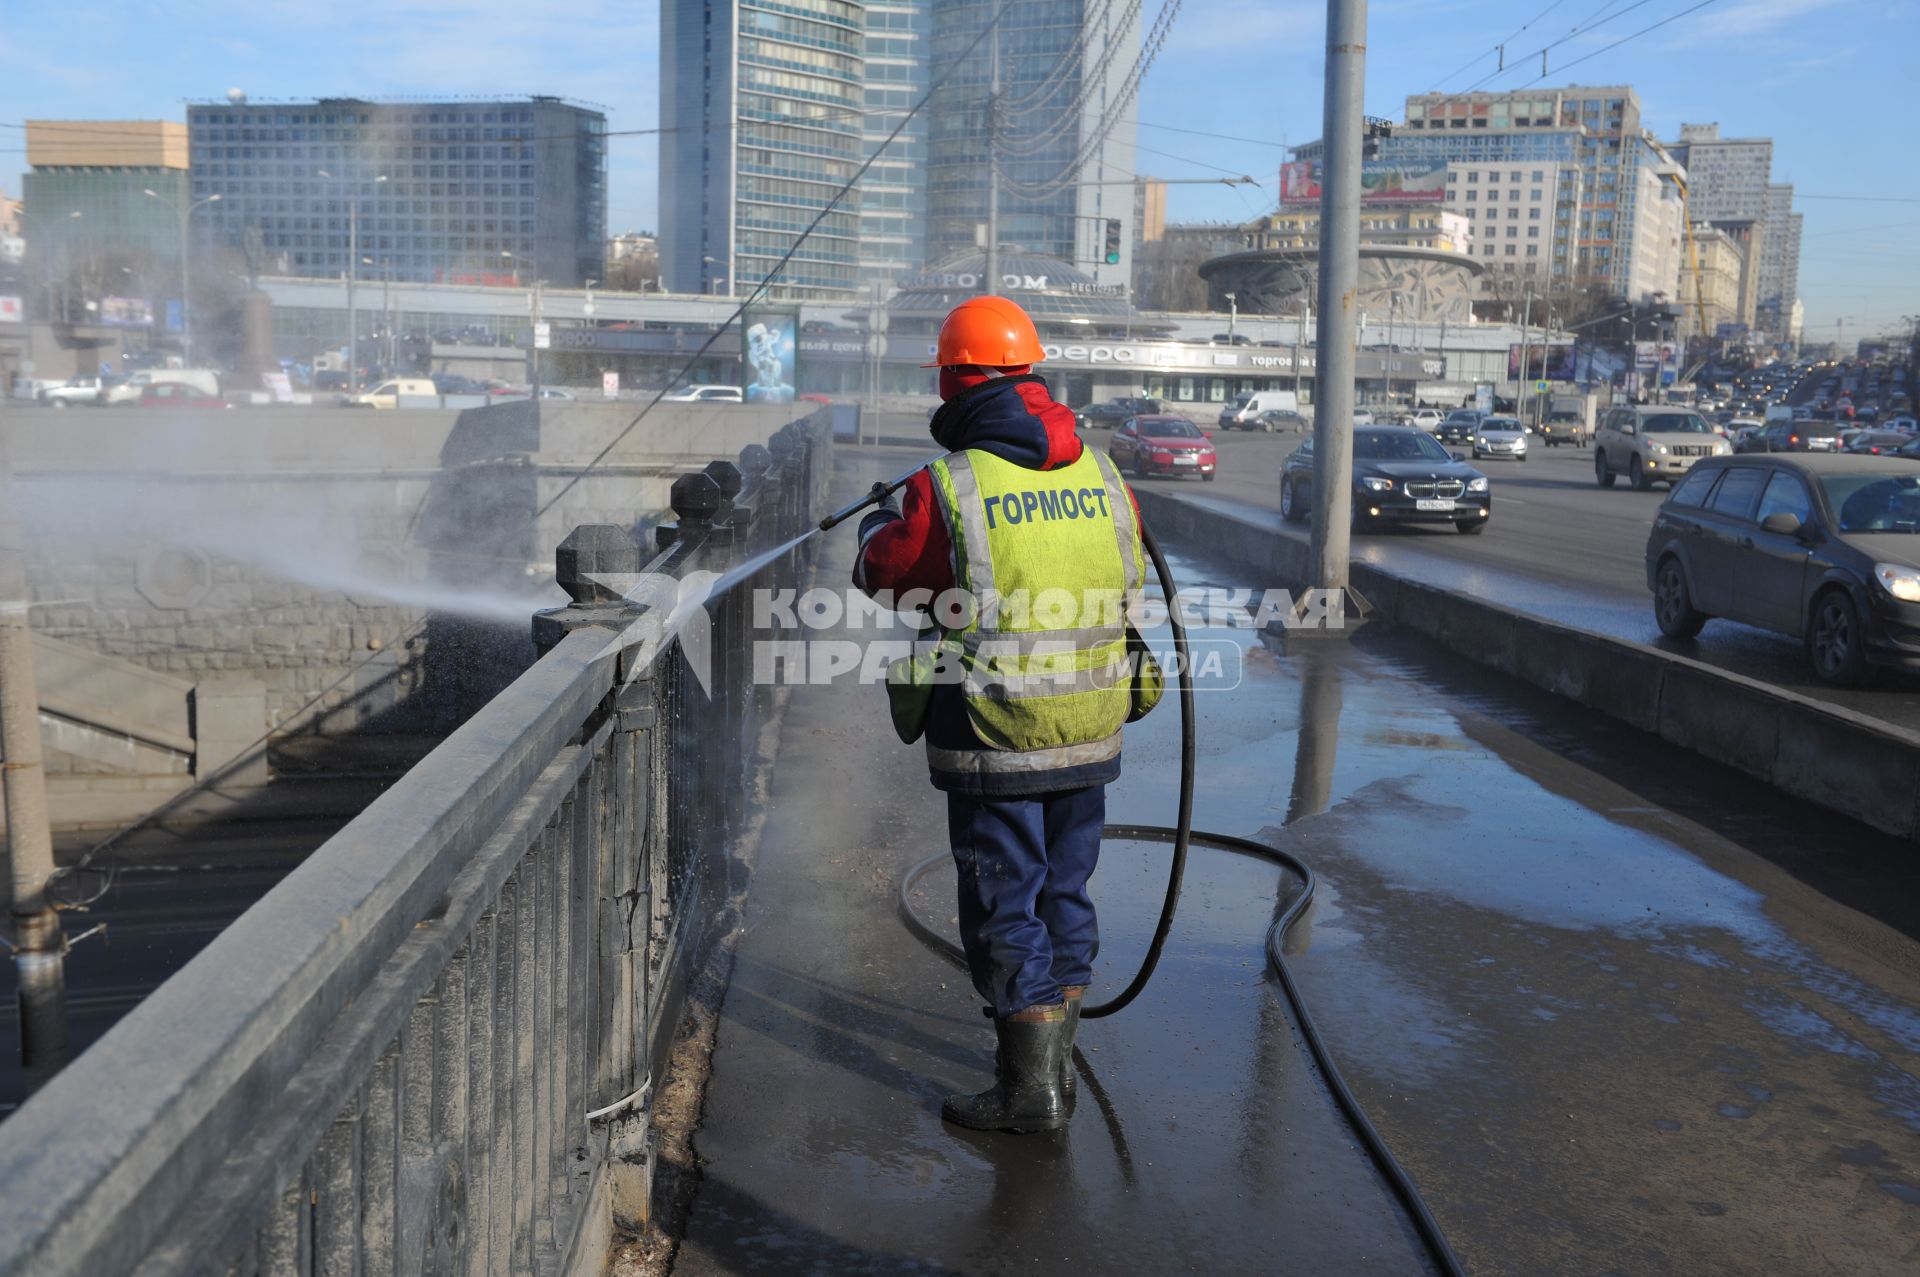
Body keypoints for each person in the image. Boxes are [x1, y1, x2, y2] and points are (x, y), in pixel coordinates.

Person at [852, 295, 1156, 1134]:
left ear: (955, 378)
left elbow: (888, 573)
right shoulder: (1104, 474)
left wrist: (886, 520)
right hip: (1090, 726)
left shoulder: (951, 484)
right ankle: (1051, 1066)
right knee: (1067, 891)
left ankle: (1031, 1093)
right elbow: (1130, 586)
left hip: (999, 728)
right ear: (1032, 374)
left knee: (1003, 904)